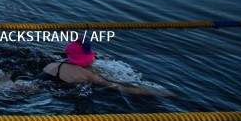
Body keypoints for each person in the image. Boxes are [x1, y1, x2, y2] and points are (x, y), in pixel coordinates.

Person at [40, 39, 170, 96]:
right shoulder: (85, 73)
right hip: (48, 89)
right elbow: (118, 86)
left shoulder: (57, 62)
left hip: (41, 78)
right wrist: (154, 91)